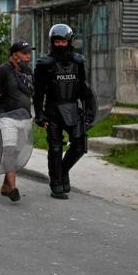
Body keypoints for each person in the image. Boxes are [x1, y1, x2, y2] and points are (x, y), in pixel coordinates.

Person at [33, 24, 96, 200]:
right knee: (55, 148)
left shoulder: (79, 62)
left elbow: (85, 89)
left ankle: (63, 170)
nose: (60, 44)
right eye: (57, 41)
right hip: (53, 110)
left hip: (73, 108)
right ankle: (56, 182)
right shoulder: (44, 64)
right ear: (52, 42)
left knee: (79, 145)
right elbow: (38, 92)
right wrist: (39, 114)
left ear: (69, 42)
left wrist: (90, 112)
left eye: (63, 41)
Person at [0, 40, 35, 202]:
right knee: (10, 151)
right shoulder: (3, 69)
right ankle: (13, 188)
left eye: (29, 53)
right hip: (7, 116)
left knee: (19, 153)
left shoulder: (28, 71)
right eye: (25, 53)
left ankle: (6, 186)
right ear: (15, 55)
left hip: (24, 117)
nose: (28, 56)